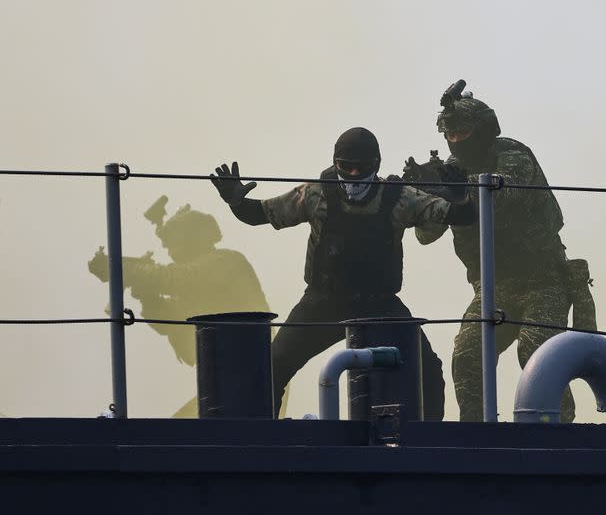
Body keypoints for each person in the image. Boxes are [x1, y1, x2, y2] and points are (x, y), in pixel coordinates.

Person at [210, 127, 476, 419]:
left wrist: (461, 197)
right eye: (344, 166)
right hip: (322, 302)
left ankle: (427, 445)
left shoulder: (401, 198)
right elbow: (259, 214)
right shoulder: (314, 195)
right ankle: (264, 442)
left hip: (380, 305)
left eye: (360, 168)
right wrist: (235, 200)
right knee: (271, 368)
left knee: (427, 371)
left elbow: (460, 215)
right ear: (334, 162)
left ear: (376, 165)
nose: (351, 174)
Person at [409, 80, 596, 423]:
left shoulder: (513, 155)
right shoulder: (452, 172)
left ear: (483, 129)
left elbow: (502, 198)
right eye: (449, 134)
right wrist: (428, 196)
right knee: (467, 356)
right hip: (492, 288)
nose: (455, 140)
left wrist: (456, 190)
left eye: (462, 132)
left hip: (544, 280)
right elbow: (426, 235)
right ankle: (478, 438)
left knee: (538, 352)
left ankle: (557, 431)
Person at [88, 197, 276, 417]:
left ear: (192, 239)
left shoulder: (226, 261)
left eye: (173, 243)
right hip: (226, 377)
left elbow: (177, 278)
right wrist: (149, 298)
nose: (169, 251)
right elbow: (174, 325)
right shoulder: (198, 282)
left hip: (256, 377)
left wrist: (129, 271)